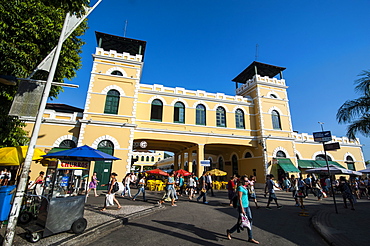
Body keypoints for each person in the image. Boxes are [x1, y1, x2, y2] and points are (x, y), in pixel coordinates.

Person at [226, 175, 259, 244]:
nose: (247, 182)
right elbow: (239, 199)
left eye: (247, 181)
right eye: (246, 181)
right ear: (242, 181)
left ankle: (250, 237)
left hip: (247, 206)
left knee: (249, 220)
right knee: (241, 222)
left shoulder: (246, 188)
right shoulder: (240, 188)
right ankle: (230, 231)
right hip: (242, 207)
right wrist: (242, 209)